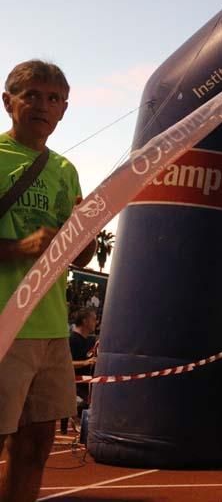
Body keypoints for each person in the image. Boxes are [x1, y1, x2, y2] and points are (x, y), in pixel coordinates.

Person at [0, 60, 96, 502]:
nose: (43, 105)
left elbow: (79, 256)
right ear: (8, 102)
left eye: (54, 99)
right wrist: (20, 247)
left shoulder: (65, 170)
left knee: (37, 445)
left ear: (64, 110)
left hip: (51, 329)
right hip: (5, 326)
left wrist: (84, 230)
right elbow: (30, 247)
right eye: (32, 95)